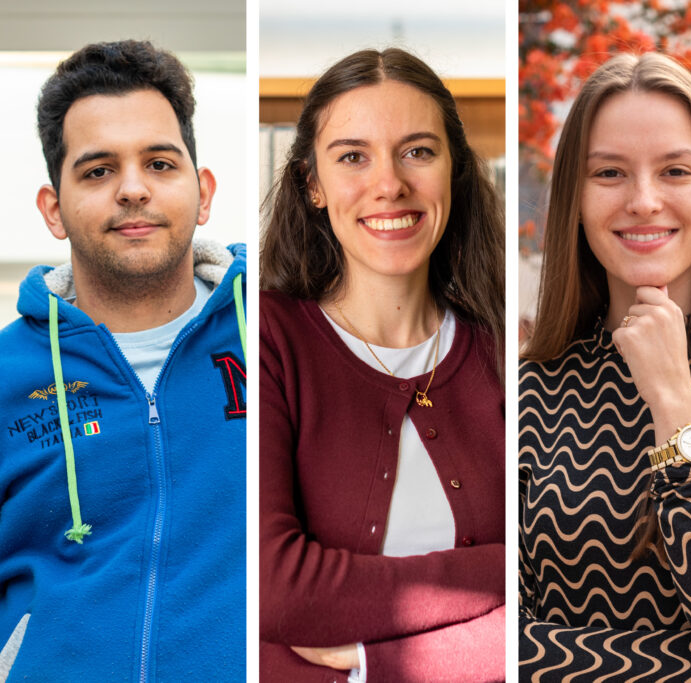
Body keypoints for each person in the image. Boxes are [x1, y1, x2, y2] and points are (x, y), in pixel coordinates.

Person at [0, 40, 246, 680]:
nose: (133, 189)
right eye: (98, 170)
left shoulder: (284, 337)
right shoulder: (6, 376)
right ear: (54, 209)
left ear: (204, 191)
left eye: (160, 163)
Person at [259, 48, 505, 682]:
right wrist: (509, 569)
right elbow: (277, 592)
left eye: (418, 152)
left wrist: (388, 660)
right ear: (312, 183)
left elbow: (569, 599)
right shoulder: (265, 339)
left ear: (455, 169)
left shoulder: (508, 348)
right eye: (352, 157)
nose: (389, 184)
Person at [519, 52, 691, 681]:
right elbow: (497, 642)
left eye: (676, 170)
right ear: (573, 197)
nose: (644, 201)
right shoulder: (527, 393)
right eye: (609, 173)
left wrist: (672, 399)